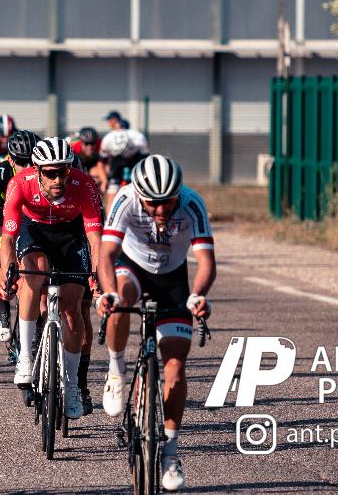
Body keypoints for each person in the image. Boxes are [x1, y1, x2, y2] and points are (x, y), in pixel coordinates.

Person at [96, 155, 216, 492]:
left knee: (175, 369)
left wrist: (198, 295)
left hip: (172, 279)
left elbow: (206, 261)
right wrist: (108, 293)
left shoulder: (192, 204)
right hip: (132, 267)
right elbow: (106, 255)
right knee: (119, 300)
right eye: (153, 203)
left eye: (168, 202)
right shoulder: (124, 199)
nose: (162, 210)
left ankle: (171, 454)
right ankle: (116, 370)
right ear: (139, 195)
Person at [0, 137, 102, 420]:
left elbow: (95, 239)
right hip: (34, 230)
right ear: (37, 170)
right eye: (51, 173)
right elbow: (8, 239)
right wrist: (6, 270)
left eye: (63, 171)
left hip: (70, 234)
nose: (58, 179)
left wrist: (97, 276)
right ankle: (25, 358)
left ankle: (71, 386)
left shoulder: (84, 184)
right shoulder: (20, 183)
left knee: (72, 308)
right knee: (34, 274)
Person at [0, 129, 40, 341]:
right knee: (5, 262)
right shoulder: (0, 174)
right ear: (10, 160)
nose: (28, 167)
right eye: (22, 162)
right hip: (3, 220)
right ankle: (3, 305)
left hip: (32, 221)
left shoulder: (44, 172)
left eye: (32, 161)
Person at [98, 125, 150, 212]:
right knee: (112, 192)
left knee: (139, 191)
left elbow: (146, 162)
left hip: (135, 159)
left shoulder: (139, 139)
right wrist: (105, 181)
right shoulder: (107, 141)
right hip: (115, 162)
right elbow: (101, 164)